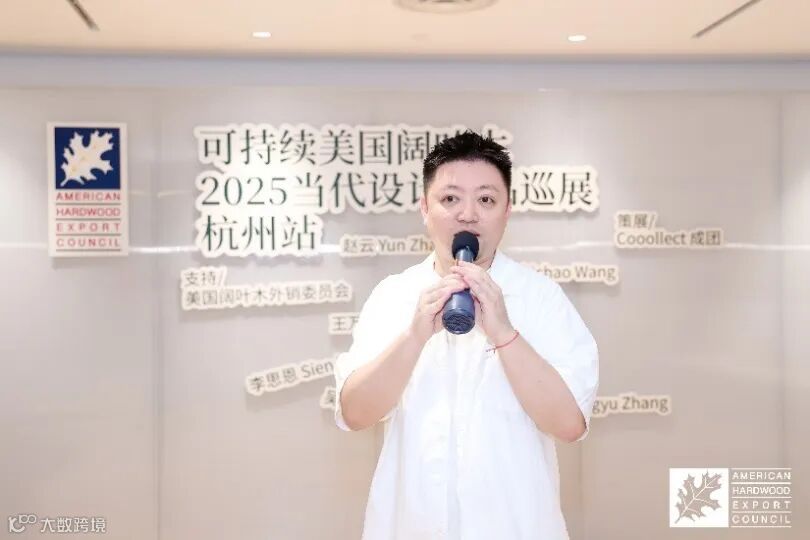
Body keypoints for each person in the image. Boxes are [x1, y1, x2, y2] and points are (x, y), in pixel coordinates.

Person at [334, 131, 599, 540]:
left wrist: (505, 333)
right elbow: (355, 413)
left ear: (507, 211)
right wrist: (414, 336)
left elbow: (569, 425)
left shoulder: (541, 297)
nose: (468, 215)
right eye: (450, 199)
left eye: (486, 200)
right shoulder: (393, 295)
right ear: (425, 208)